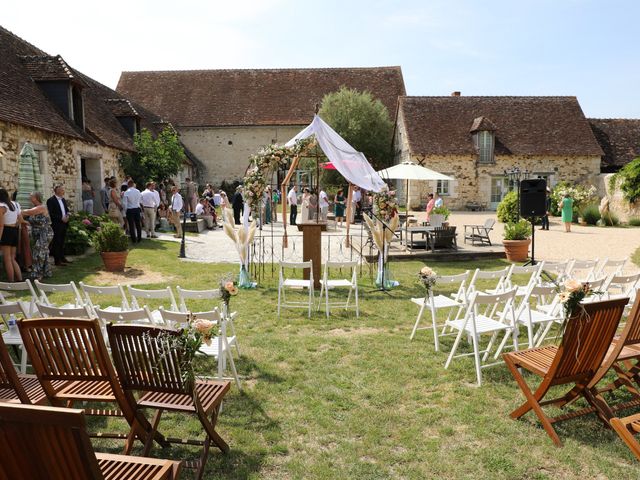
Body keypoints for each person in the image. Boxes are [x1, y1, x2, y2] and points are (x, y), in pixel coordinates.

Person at [21, 192, 53, 280]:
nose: (29, 198)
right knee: (43, 252)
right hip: (37, 233)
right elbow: (31, 222)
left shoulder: (41, 207)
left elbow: (26, 212)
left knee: (38, 253)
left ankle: (37, 274)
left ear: (36, 198)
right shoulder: (34, 208)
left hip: (45, 233)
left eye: (31, 197)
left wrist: (14, 210)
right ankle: (46, 272)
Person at [0, 188, 23, 281]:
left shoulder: (1, 206)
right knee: (12, 258)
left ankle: (11, 281)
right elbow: (20, 220)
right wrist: (14, 226)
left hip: (6, 231)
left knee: (7, 259)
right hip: (14, 231)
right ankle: (20, 279)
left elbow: (1, 225)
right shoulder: (15, 204)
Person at [46, 185, 70, 266]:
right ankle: (57, 260)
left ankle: (62, 257)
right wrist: (61, 218)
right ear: (58, 191)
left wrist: (67, 216)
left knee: (62, 241)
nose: (64, 191)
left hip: (64, 224)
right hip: (56, 224)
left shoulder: (63, 199)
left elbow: (66, 210)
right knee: (57, 242)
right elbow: (51, 214)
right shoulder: (51, 200)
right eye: (62, 190)